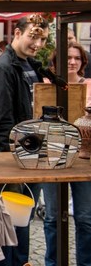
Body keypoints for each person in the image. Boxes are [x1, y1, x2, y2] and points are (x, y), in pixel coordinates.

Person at [0, 14, 48, 265]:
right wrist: (5, 164)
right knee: (10, 218)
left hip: (33, 152)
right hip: (15, 156)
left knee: (22, 215)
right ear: (17, 33)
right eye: (34, 36)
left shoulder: (29, 64)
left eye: (42, 39)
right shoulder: (4, 67)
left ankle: (20, 261)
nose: (38, 44)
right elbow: (1, 119)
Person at [42, 41, 91, 266]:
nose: (72, 62)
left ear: (83, 63)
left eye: (76, 58)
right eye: (67, 57)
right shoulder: (45, 86)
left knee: (85, 218)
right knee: (52, 217)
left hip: (84, 159)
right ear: (56, 62)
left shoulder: (89, 85)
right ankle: (52, 262)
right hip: (53, 155)